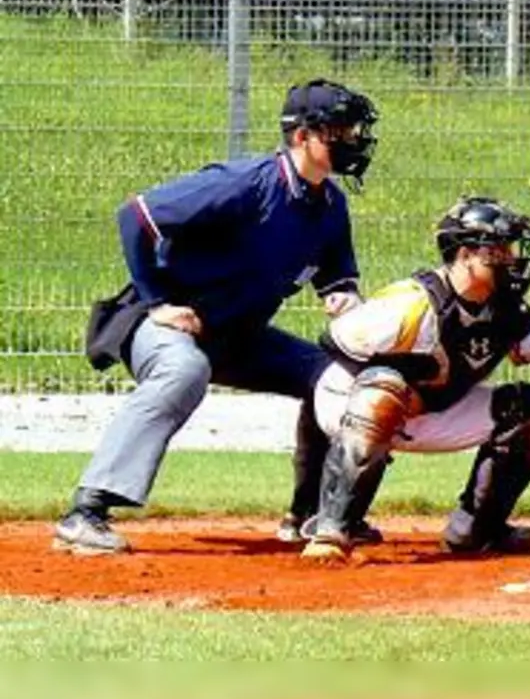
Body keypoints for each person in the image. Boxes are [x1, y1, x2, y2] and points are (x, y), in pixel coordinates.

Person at [56, 79, 380, 555]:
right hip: (161, 325)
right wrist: (158, 301)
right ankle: (85, 512)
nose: (351, 140)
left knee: (337, 378)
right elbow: (136, 217)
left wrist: (345, 298)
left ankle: (314, 514)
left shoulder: (330, 206)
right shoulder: (245, 183)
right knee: (185, 368)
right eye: (338, 131)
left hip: (238, 335)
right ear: (301, 136)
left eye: (352, 130)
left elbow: (337, 281)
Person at [298, 196, 530, 561]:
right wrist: (402, 381)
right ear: (465, 255)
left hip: (427, 409)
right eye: (498, 250)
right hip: (348, 402)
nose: (511, 260)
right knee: (384, 389)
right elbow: (334, 341)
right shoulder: (413, 303)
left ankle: (477, 531)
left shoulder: (507, 311)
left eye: (510, 250)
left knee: (527, 408)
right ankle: (331, 531)